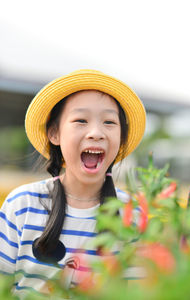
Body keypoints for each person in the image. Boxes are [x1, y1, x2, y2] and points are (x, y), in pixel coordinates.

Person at [0, 69, 146, 297]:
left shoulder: (133, 213)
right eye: (81, 120)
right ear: (54, 134)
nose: (96, 133)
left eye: (109, 122)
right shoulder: (22, 204)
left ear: (121, 139)